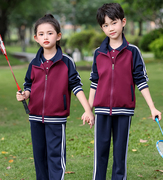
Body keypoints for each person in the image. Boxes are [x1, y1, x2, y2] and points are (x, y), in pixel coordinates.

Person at [84, 3, 162, 180]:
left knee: (120, 155)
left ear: (123, 22)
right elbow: (94, 82)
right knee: (100, 154)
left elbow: (141, 81)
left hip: (124, 111)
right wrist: (89, 109)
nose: (110, 28)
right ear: (101, 28)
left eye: (113, 22)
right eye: (105, 25)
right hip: (102, 111)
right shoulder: (98, 53)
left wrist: (152, 107)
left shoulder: (133, 52)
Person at [16, 14, 94, 180]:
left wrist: (88, 110)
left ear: (58, 36)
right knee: (39, 158)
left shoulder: (66, 62)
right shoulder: (34, 63)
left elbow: (77, 87)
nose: (46, 37)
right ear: (36, 38)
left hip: (56, 120)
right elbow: (28, 85)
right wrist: (25, 94)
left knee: (55, 158)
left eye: (50, 33)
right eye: (42, 34)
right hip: (35, 118)